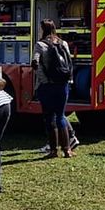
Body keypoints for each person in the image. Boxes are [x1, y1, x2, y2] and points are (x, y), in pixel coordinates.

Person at [32, 19, 74, 158]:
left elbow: (35, 64)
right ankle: (67, 150)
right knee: (61, 115)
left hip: (47, 86)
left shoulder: (40, 45)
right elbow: (69, 63)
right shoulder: (63, 43)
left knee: (49, 117)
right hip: (62, 85)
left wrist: (44, 81)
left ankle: (53, 150)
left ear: (42, 29)